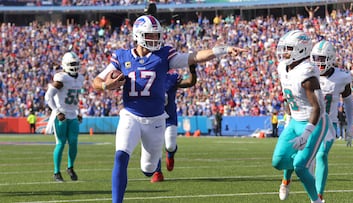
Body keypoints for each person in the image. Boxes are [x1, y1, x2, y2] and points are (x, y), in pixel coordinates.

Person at [91, 15, 245, 203]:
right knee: (121, 156)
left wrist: (224, 50)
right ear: (139, 35)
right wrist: (108, 85)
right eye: (151, 35)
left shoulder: (164, 54)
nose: (155, 39)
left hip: (156, 120)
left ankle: (151, 167)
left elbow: (193, 56)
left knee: (149, 169)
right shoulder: (122, 56)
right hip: (130, 114)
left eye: (157, 35)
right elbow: (96, 81)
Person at [271, 30, 329, 203]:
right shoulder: (283, 67)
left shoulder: (307, 71)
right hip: (295, 120)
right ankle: (286, 179)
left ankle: (316, 201)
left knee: (301, 166)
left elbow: (317, 108)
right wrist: (289, 116)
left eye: (288, 49)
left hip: (314, 121)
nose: (284, 52)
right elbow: (288, 95)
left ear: (301, 49)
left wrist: (306, 134)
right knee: (278, 161)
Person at [310, 40, 353, 201]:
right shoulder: (307, 72)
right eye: (316, 58)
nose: (318, 62)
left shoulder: (342, 77)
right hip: (308, 122)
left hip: (329, 124)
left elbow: (348, 102)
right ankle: (286, 180)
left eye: (322, 59)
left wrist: (350, 126)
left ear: (330, 58)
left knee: (321, 155)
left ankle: (318, 196)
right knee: (302, 160)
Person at [151, 64, 198, 183]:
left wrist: (192, 71)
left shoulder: (171, 78)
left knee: (170, 146)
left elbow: (189, 82)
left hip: (169, 117)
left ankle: (170, 154)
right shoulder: (145, 78)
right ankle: (157, 172)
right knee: (155, 146)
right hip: (153, 117)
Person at [45, 51, 84, 182]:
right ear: (65, 65)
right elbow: (48, 96)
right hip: (61, 115)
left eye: (76, 63)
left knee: (73, 143)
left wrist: (78, 112)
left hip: (73, 115)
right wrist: (57, 111)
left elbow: (75, 98)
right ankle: (56, 172)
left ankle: (70, 167)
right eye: (72, 64)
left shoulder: (80, 78)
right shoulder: (61, 78)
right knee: (61, 143)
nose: (74, 66)